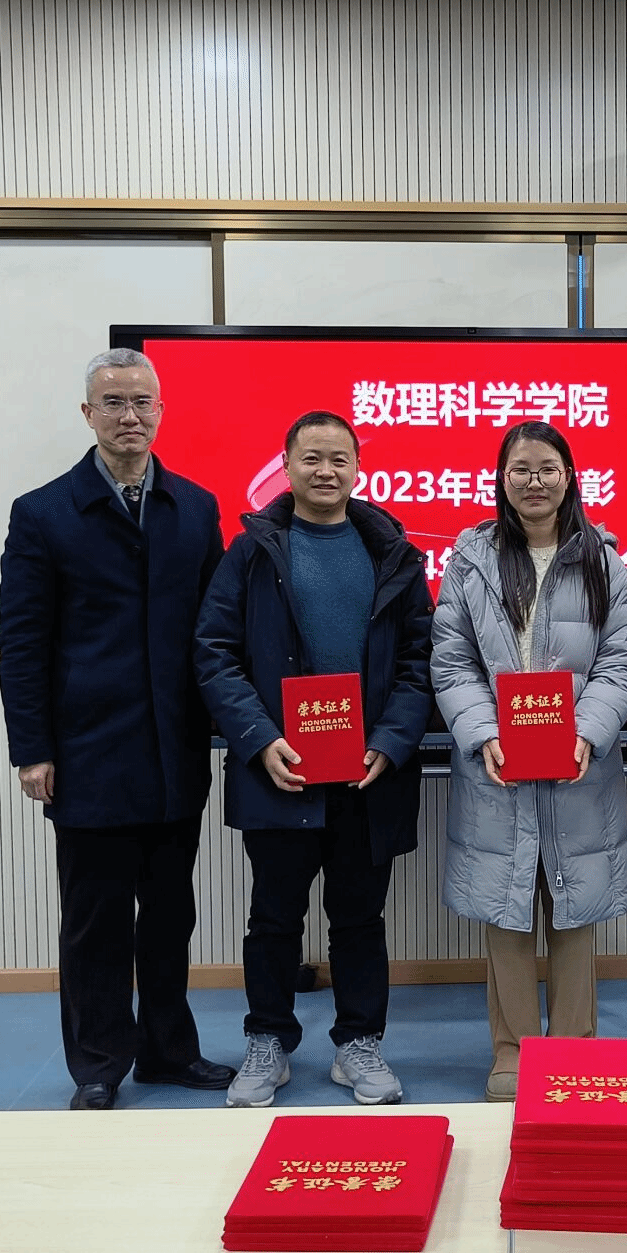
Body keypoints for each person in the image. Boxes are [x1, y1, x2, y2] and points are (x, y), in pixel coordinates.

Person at [0, 347, 233, 1110]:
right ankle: (98, 1062)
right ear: (88, 414)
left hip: (174, 749)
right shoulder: (43, 513)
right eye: (114, 403)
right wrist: (32, 748)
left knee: (170, 914)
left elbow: (217, 631)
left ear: (161, 411)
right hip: (87, 754)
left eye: (142, 402)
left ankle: (168, 1050)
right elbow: (22, 643)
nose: (130, 416)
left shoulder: (195, 507)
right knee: (95, 920)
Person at [193, 410, 433, 1107]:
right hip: (281, 772)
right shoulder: (251, 552)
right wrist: (259, 738)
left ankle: (359, 1043)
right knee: (273, 918)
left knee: (360, 918)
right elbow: (214, 651)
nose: (325, 471)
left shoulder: (392, 552)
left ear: (357, 468)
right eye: (311, 458)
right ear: (287, 466)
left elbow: (421, 659)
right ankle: (268, 1040)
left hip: (367, 776)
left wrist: (391, 740)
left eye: (339, 459)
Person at [431, 422, 627, 1102]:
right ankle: (512, 1052)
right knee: (507, 909)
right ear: (501, 478)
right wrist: (482, 732)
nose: (534, 481)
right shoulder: (470, 561)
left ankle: (573, 1052)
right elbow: (452, 661)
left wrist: (589, 732)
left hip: (580, 764)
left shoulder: (602, 559)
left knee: (575, 911)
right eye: (520, 469)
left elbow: (620, 661)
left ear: (569, 475)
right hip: (497, 765)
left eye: (547, 468)